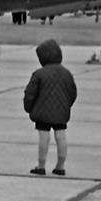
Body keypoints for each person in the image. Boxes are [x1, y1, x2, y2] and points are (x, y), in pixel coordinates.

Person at [24, 39, 77, 176]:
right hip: (61, 112)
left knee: (44, 137)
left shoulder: (39, 74)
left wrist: (29, 108)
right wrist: (66, 105)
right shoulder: (67, 73)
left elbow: (30, 94)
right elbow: (73, 92)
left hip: (42, 112)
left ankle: (41, 165)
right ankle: (60, 165)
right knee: (61, 137)